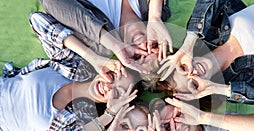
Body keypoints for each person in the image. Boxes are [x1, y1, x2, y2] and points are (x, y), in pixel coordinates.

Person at [0, 12, 144, 131]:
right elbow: (38, 20)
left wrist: (109, 115)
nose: (108, 86)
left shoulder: (85, 121)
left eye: (117, 93)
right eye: (113, 76)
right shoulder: (73, 65)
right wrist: (93, 58)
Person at [157, 0, 254, 109]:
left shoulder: (206, 33)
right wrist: (221, 89)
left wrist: (188, 44)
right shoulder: (236, 83)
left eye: (183, 69)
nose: (193, 72)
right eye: (193, 83)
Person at [39, 0, 172, 72]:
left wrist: (113, 44)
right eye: (153, 45)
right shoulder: (157, 11)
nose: (143, 45)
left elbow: (50, 2)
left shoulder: (100, 40)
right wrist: (155, 16)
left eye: (138, 56)